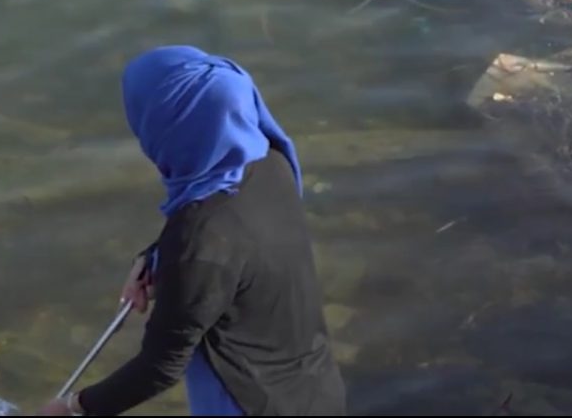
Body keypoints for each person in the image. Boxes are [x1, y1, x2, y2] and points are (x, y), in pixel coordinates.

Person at [38, 45, 347, 416]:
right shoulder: (268, 162)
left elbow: (160, 366)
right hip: (315, 387)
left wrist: (73, 408)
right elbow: (235, 243)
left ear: (165, 126)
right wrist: (155, 258)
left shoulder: (199, 240)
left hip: (247, 403)